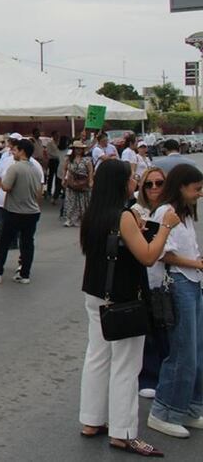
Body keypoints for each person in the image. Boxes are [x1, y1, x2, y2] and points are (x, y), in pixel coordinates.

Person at [78, 159, 176, 456]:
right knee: (126, 364)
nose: (136, 181)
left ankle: (91, 420)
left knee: (97, 356)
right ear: (121, 182)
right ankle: (123, 432)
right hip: (123, 298)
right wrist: (165, 229)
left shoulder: (93, 214)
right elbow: (147, 256)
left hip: (95, 293)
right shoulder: (123, 216)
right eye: (132, 177)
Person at [146, 163, 203, 439]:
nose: (199, 194)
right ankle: (164, 411)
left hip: (191, 282)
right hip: (178, 284)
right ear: (182, 187)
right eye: (196, 189)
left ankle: (189, 407)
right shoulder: (165, 212)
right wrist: (195, 263)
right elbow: (162, 254)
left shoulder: (185, 213)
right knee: (183, 353)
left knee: (196, 351)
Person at [0, 139, 43, 284]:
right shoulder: (35, 168)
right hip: (32, 211)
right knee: (27, 243)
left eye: (15, 150)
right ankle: (24, 274)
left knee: (3, 242)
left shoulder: (15, 168)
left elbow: (6, 187)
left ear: (22, 151)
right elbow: (38, 191)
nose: (12, 152)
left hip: (15, 211)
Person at [134, 166, 169, 399]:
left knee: (165, 326)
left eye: (159, 183)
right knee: (149, 329)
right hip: (144, 276)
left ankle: (163, 375)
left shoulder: (170, 210)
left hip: (165, 279)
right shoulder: (136, 212)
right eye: (149, 184)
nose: (154, 188)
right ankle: (147, 376)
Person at [62, 141, 95, 228]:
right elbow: (65, 169)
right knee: (71, 201)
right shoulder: (69, 159)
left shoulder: (87, 159)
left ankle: (82, 219)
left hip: (83, 181)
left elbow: (90, 171)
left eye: (80, 149)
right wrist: (63, 179)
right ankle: (69, 219)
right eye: (76, 148)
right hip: (72, 181)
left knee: (83, 201)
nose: (78, 150)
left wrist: (91, 180)